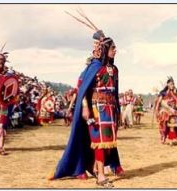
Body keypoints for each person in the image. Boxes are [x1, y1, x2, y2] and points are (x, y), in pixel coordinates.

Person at [48, 26, 123, 187]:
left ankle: (95, 167)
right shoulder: (94, 68)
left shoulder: (114, 70)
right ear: (105, 49)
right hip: (97, 109)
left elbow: (116, 92)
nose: (115, 50)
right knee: (99, 142)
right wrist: (85, 107)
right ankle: (101, 176)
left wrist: (119, 111)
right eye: (113, 48)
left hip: (110, 110)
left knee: (108, 144)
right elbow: (83, 90)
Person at [155, 77, 177, 145]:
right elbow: (159, 102)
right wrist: (157, 109)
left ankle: (171, 139)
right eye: (171, 84)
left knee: (173, 125)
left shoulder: (175, 93)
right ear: (168, 84)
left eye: (173, 84)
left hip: (173, 111)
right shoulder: (163, 93)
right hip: (165, 111)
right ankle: (163, 137)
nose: (172, 85)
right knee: (164, 125)